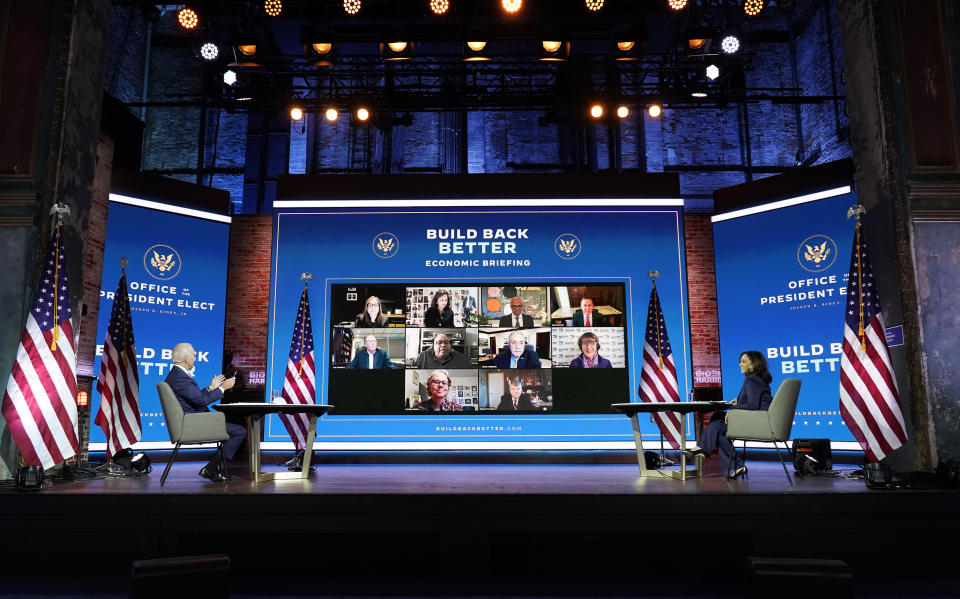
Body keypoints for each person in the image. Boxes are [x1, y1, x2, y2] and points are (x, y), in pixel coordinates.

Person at [164, 342, 245, 482]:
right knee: (239, 431)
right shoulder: (180, 378)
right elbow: (201, 402)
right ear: (186, 358)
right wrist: (222, 389)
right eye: (194, 355)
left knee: (235, 430)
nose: (195, 358)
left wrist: (211, 388)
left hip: (192, 420)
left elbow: (195, 399)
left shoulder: (176, 375)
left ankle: (212, 467)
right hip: (193, 424)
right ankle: (212, 467)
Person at [686, 350, 773, 479]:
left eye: (743, 362)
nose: (740, 364)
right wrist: (738, 402)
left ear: (754, 365)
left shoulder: (751, 380)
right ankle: (737, 466)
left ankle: (702, 448)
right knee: (720, 425)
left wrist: (733, 408)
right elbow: (756, 401)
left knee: (718, 422)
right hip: (762, 420)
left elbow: (753, 405)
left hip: (758, 423)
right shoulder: (759, 380)